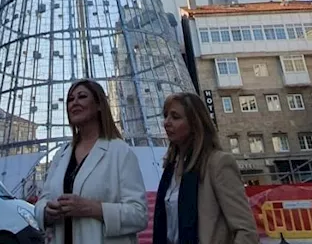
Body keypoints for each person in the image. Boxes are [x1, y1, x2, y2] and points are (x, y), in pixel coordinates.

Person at [35, 79, 149, 244]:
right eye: (70, 99)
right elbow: (43, 199)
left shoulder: (119, 151)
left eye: (82, 97)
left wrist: (93, 209)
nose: (74, 103)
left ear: (99, 105)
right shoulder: (62, 154)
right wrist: (46, 212)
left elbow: (139, 214)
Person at [154, 93, 258, 244]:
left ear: (195, 124)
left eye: (175, 117)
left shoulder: (218, 164)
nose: (166, 123)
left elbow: (246, 231)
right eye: (166, 116)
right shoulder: (171, 167)